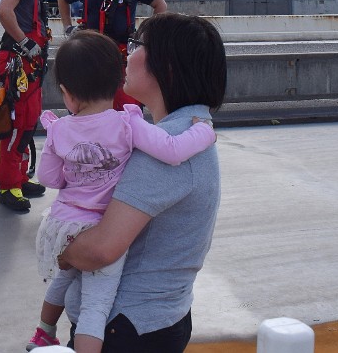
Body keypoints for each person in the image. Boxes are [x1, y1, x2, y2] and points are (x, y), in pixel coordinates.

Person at [26, 31, 215, 352]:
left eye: (140, 44)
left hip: (63, 228)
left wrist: (65, 250)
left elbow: (50, 180)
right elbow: (173, 149)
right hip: (104, 251)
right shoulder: (129, 124)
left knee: (65, 280)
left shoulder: (59, 128)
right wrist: (204, 132)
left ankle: (44, 330)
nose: (130, 51)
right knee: (94, 309)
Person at [56, 0, 168, 109]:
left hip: (122, 55)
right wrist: (68, 28)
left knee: (125, 107)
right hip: (90, 53)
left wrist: (146, 37)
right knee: (88, 106)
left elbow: (160, 6)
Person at [0, 0, 51, 212]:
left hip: (29, 62)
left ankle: (18, 177)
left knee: (28, 122)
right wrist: (26, 43)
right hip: (21, 60)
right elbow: (4, 10)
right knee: (17, 125)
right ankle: (8, 185)